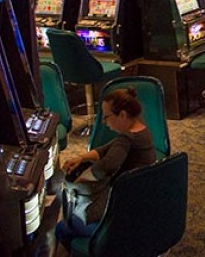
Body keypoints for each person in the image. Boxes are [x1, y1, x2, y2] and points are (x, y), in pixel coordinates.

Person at [56, 88, 157, 248]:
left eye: (106, 117)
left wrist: (81, 179)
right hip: (141, 205)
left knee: (62, 227)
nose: (104, 122)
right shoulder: (142, 132)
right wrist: (81, 158)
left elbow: (107, 166)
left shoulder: (126, 139)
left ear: (122, 115)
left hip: (122, 216)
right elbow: (105, 149)